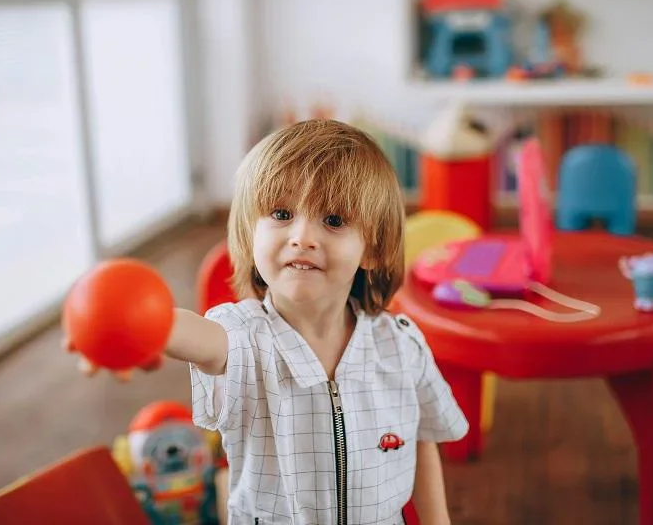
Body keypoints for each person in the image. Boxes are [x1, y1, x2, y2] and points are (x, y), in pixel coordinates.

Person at [75, 119, 469, 524]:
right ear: (251, 238)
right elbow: (196, 335)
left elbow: (421, 439)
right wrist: (143, 326)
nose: (301, 236)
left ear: (373, 250)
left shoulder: (401, 347)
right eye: (281, 213)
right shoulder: (244, 339)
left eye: (333, 220)